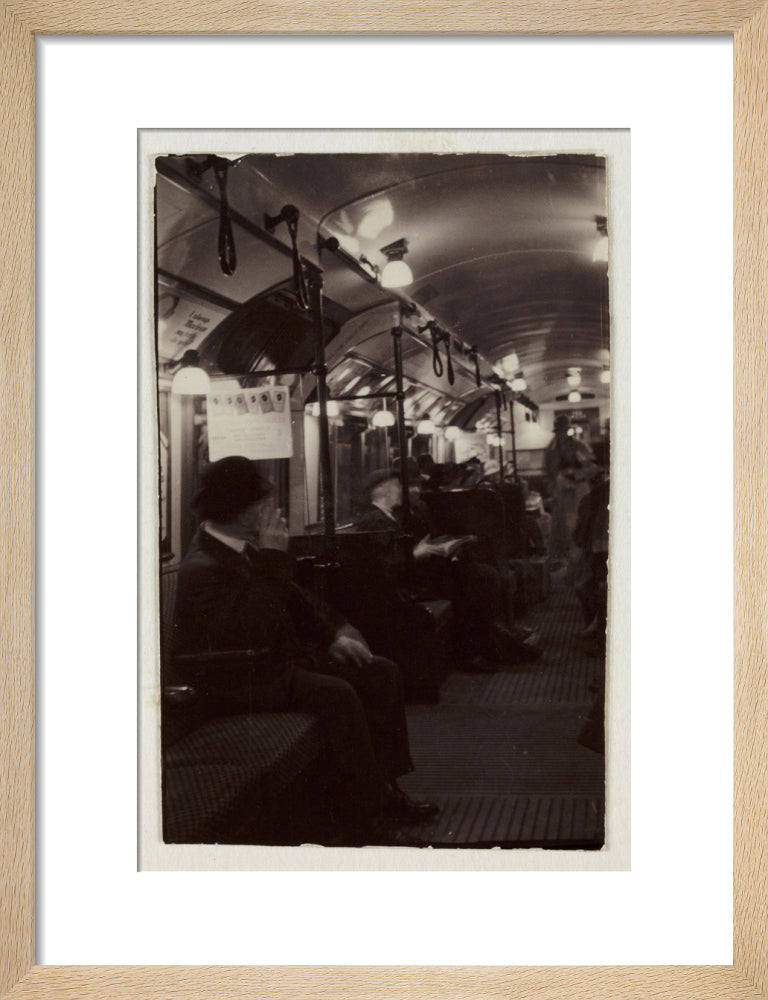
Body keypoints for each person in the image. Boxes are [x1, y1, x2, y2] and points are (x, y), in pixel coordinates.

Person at [171, 456, 438, 844]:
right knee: (337, 693)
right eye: (259, 505)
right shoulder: (204, 565)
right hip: (235, 678)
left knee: (380, 672)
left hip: (269, 664)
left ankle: (386, 789)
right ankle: (364, 812)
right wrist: (274, 557)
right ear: (238, 510)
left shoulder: (239, 548)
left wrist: (333, 637)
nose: (269, 512)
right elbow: (253, 629)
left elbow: (295, 601)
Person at [355, 469, 541, 669]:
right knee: (474, 581)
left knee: (478, 575)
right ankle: (478, 651)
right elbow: (386, 564)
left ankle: (492, 645)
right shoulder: (375, 521)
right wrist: (417, 553)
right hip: (405, 586)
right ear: (383, 491)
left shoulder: (389, 517)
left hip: (413, 577)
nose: (402, 490)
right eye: (397, 486)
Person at [545, 415, 597, 562]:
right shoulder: (550, 449)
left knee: (577, 525)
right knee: (560, 530)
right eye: (558, 431)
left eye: (563, 431)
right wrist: (554, 488)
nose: (560, 434)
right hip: (560, 494)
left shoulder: (580, 446)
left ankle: (581, 562)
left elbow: (593, 468)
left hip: (579, 491)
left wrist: (574, 475)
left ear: (567, 431)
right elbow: (548, 474)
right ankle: (567, 565)